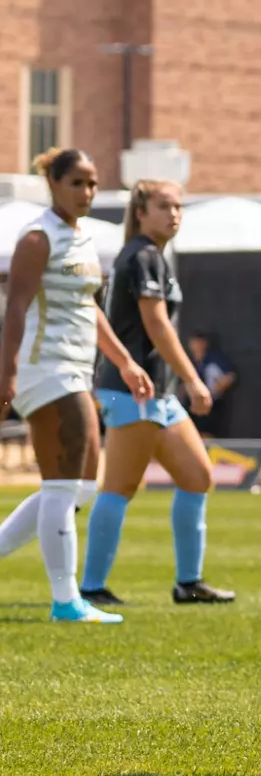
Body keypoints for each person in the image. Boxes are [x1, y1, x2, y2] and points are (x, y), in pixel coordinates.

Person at [0, 149, 154, 623]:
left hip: (74, 368)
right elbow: (16, 307)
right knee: (66, 484)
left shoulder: (85, 238)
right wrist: (6, 370)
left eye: (92, 183)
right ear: (53, 182)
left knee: (79, 488)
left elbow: (90, 310)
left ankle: (65, 597)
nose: (87, 192)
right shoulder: (37, 238)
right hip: (43, 370)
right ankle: (66, 601)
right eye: (77, 183)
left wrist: (125, 361)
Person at [79, 180, 236, 607]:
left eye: (179, 206)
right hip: (132, 392)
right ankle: (91, 588)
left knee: (197, 477)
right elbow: (157, 325)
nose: (174, 214)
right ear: (141, 211)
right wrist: (194, 378)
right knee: (119, 487)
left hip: (157, 396)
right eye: (164, 206)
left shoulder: (151, 255)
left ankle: (189, 583)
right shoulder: (143, 254)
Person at [186, 331, 236, 438]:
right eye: (192, 342)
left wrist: (212, 391)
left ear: (204, 343)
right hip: (194, 406)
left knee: (206, 435)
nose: (194, 345)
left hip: (211, 406)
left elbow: (230, 377)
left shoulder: (214, 360)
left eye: (197, 342)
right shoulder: (193, 363)